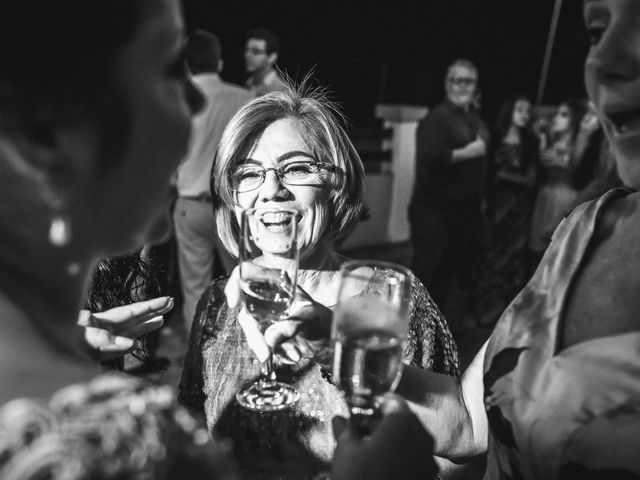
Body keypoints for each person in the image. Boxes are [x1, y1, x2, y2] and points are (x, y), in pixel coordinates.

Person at [0, 1, 437, 479]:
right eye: (171, 68)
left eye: (297, 168)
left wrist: (67, 355)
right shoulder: (116, 441)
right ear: (51, 132)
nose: (195, 99)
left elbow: (460, 438)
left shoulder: (390, 303)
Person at [262, 1, 640, 478]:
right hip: (437, 220)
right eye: (595, 32)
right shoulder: (582, 229)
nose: (603, 60)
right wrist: (334, 347)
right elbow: (466, 417)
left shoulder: (476, 123)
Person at [178, 85, 459, 479]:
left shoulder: (390, 302)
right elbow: (192, 434)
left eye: (295, 168)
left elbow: (451, 457)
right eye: (248, 174)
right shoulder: (217, 303)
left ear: (336, 186)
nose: (270, 191)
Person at [174, 30, 252, 330]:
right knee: (245, 278)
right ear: (219, 63)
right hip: (231, 206)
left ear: (187, 64)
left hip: (190, 203)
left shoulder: (179, 98)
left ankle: (198, 350)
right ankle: (248, 343)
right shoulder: (242, 98)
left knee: (195, 286)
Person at [408, 58, 489, 321]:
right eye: (455, 79)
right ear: (446, 83)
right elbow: (430, 158)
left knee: (446, 279)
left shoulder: (472, 117)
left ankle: (433, 337)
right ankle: (411, 335)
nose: (460, 86)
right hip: (434, 214)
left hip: (461, 215)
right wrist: (469, 153)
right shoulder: (437, 118)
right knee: (426, 277)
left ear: (475, 85)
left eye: (466, 81)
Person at [472, 96, 539, 327]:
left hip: (518, 209)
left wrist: (505, 176)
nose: (525, 114)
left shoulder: (531, 142)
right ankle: (483, 310)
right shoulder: (496, 137)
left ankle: (503, 315)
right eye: (520, 109)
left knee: (512, 259)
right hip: (495, 204)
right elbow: (485, 172)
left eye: (528, 110)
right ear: (509, 111)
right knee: (490, 257)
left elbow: (531, 180)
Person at [529, 99, 586, 262]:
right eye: (557, 114)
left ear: (574, 119)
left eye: (564, 115)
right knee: (539, 247)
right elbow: (543, 159)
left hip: (562, 198)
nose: (556, 118)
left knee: (555, 249)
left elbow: (575, 167)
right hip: (546, 193)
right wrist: (542, 137)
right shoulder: (555, 139)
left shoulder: (577, 143)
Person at [244, 28, 288, 98]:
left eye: (255, 51)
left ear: (272, 57)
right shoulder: (249, 83)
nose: (248, 55)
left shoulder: (282, 91)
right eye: (247, 50)